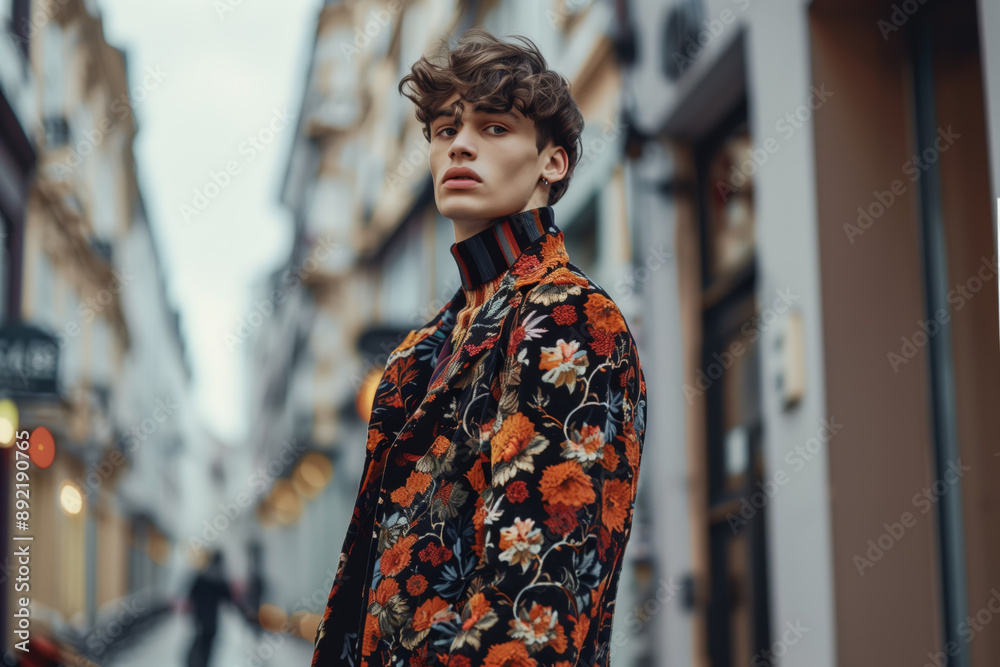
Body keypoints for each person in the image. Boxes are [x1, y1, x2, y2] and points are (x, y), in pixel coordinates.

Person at [310, 26, 647, 667]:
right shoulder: (421, 351)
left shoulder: (570, 320)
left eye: (494, 128)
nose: (460, 144)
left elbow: (536, 613)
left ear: (553, 162)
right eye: (444, 130)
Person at [186, 550, 239, 667]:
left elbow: (190, 595)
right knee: (208, 646)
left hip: (199, 618)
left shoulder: (201, 577)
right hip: (212, 621)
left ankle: (196, 663)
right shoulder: (219, 580)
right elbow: (229, 598)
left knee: (200, 643)